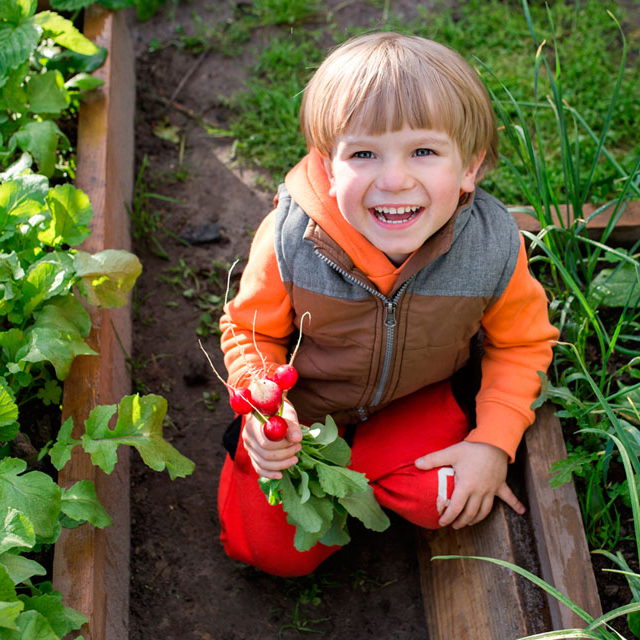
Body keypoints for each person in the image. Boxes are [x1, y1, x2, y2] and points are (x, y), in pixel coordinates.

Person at [216, 31, 558, 577]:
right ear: (329, 167)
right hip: (309, 414)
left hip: (411, 405)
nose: (395, 180)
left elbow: (521, 343)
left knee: (451, 499)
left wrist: (493, 444)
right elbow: (249, 331)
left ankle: (367, 482)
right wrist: (266, 409)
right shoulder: (290, 240)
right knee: (271, 555)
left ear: (470, 166)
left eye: (423, 151)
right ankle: (331, 480)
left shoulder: (491, 247)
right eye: (365, 154)